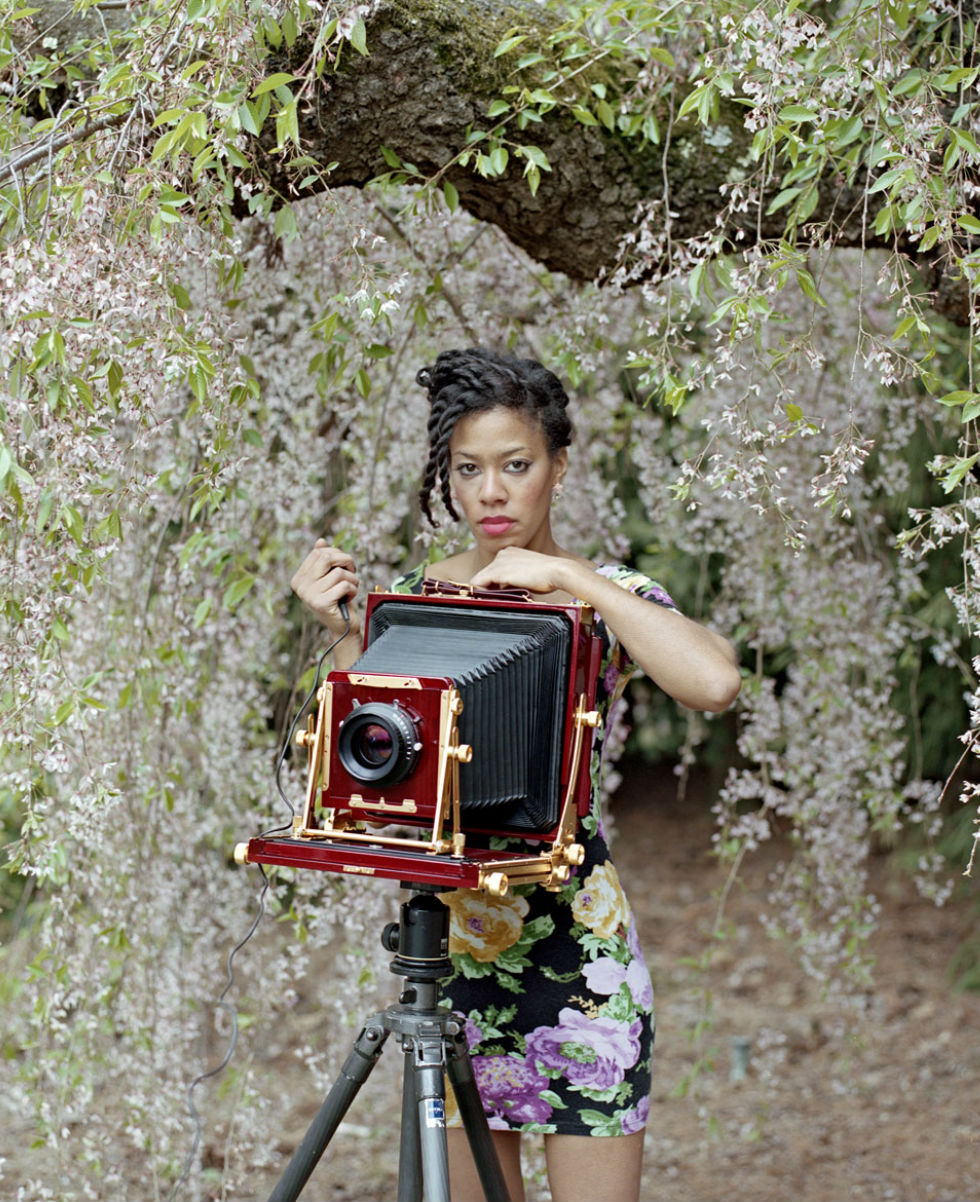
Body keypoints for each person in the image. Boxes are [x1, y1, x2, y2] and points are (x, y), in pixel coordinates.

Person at [290, 347, 740, 1202]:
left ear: (558, 467)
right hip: (454, 958)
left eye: (516, 465)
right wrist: (340, 630)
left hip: (581, 960)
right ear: (447, 478)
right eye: (468, 469)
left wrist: (576, 580)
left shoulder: (604, 597)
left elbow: (715, 682)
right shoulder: (415, 600)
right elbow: (384, 776)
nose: (491, 492)